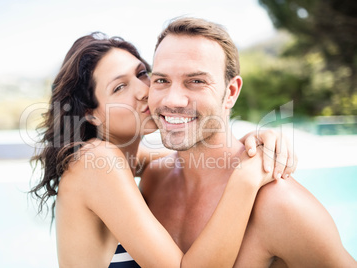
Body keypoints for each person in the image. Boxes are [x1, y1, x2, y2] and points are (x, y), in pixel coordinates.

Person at [30, 32, 296, 267]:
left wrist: (255, 142)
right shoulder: (98, 159)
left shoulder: (126, 159)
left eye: (142, 74)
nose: (144, 91)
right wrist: (246, 180)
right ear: (92, 115)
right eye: (120, 87)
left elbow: (202, 157)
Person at [141, 17, 356, 267]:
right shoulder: (153, 179)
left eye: (196, 81)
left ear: (231, 92)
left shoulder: (280, 204)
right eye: (161, 80)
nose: (173, 100)